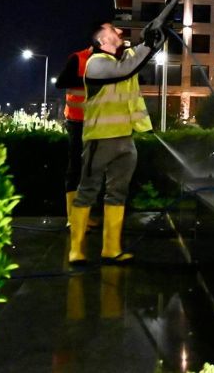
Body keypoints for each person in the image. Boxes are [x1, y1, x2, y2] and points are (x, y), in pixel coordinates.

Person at [68, 19, 163, 265]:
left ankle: (111, 248)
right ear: (102, 40)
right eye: (113, 30)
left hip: (125, 139)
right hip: (100, 139)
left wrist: (152, 42)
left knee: (118, 193)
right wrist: (146, 45)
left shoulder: (121, 62)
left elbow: (135, 61)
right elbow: (127, 67)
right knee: (87, 190)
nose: (119, 31)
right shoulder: (96, 64)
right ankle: (76, 250)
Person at [54, 41, 99, 230]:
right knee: (75, 167)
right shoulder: (78, 59)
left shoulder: (103, 60)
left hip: (95, 122)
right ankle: (73, 218)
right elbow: (61, 82)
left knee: (89, 169)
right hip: (76, 121)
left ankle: (83, 215)